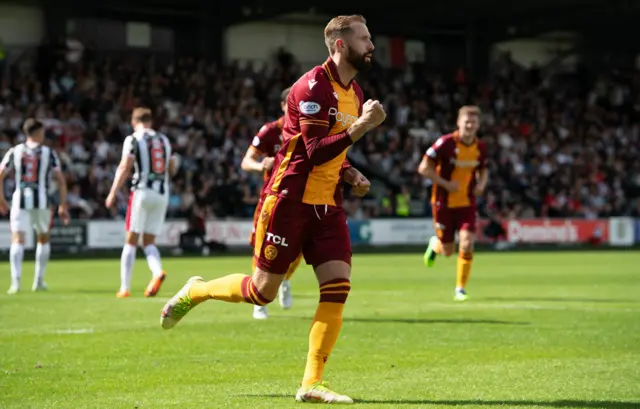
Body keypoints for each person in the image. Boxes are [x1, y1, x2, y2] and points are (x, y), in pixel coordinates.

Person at [160, 14, 385, 404]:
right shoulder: (313, 86)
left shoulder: (356, 92)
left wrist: (350, 174)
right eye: (365, 39)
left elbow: (333, 151)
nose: (372, 45)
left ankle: (311, 383)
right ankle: (196, 291)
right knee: (262, 292)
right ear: (340, 45)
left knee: (337, 288)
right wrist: (361, 128)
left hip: (328, 205)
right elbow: (313, 152)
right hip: (289, 201)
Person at [106, 107, 178, 298]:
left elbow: (125, 166)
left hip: (142, 191)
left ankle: (124, 288)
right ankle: (157, 272)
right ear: (150, 121)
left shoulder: (133, 139)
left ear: (133, 121)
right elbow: (172, 166)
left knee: (130, 240)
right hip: (162, 193)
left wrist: (113, 192)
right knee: (149, 241)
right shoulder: (164, 139)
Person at [418, 105, 488, 301]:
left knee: (467, 243)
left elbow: (483, 169)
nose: (470, 125)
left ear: (478, 125)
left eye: (473, 122)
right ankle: (435, 245)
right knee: (448, 251)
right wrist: (446, 184)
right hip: (443, 203)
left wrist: (482, 184)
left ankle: (460, 288)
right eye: (466, 121)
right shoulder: (445, 143)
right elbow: (423, 168)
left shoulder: (480, 147)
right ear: (459, 123)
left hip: (467, 203)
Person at [241, 87, 299, 320]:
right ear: (284, 105)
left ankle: (284, 280)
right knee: (260, 246)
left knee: (297, 251)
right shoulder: (270, 131)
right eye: (292, 103)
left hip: (298, 200)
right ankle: (259, 301)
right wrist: (261, 165)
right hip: (271, 199)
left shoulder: (307, 131)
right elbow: (246, 161)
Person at [0, 119, 70, 294]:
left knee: (18, 239)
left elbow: (0, 174)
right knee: (43, 238)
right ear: (38, 132)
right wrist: (62, 204)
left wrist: (1, 199)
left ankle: (15, 283)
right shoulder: (49, 153)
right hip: (42, 201)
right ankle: (38, 281)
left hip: (19, 200)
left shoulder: (14, 151)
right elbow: (61, 180)